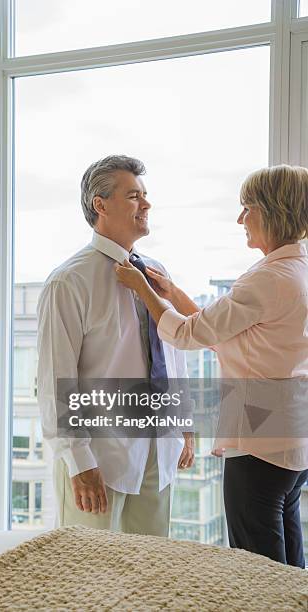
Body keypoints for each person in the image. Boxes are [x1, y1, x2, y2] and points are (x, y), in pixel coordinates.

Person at [115, 164, 308, 567]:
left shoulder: (268, 279)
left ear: (272, 210)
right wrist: (172, 292)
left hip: (263, 438)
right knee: (288, 558)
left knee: (255, 564)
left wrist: (142, 290)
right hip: (293, 435)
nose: (241, 219)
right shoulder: (297, 270)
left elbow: (186, 335)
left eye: (247, 208)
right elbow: (222, 331)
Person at [37, 155, 194, 536]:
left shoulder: (156, 272)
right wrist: (78, 461)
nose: (146, 204)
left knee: (148, 574)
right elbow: (54, 380)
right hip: (100, 458)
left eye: (145, 195)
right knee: (89, 581)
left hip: (158, 450)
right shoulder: (69, 282)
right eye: (134, 195)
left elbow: (174, 353)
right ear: (100, 204)